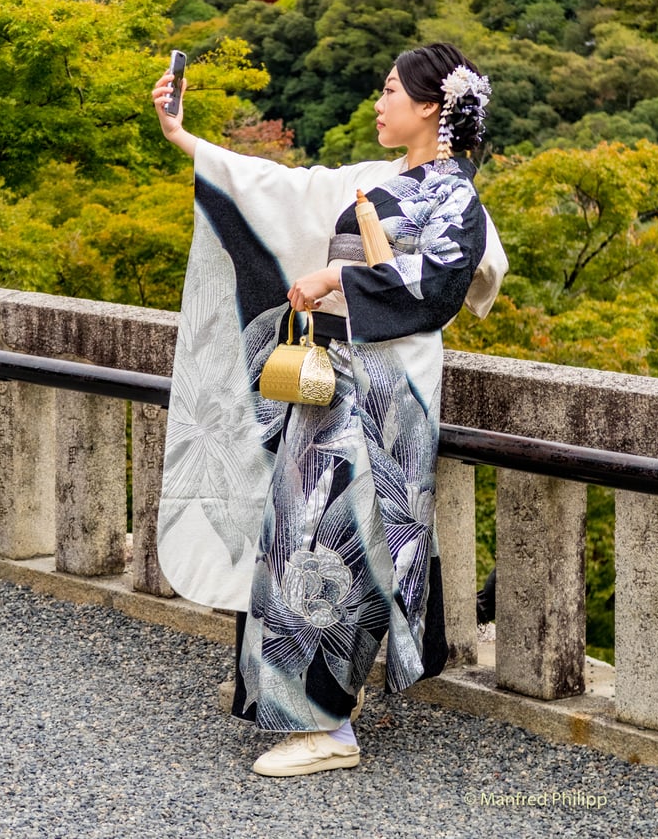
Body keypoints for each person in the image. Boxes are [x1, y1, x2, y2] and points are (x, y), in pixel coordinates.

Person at [151, 42, 507, 778]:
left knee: (344, 543)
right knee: (293, 534)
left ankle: (329, 726)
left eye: (390, 90)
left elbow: (439, 290)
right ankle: (304, 705)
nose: (379, 102)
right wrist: (183, 136)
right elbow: (277, 186)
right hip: (329, 383)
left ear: (431, 106)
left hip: (388, 393)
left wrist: (336, 277)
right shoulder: (376, 179)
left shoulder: (455, 197)